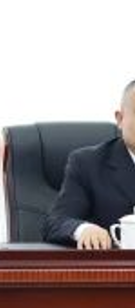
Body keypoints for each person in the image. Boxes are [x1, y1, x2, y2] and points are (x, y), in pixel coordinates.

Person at [43, 79, 135, 249]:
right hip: (115, 264)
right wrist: (83, 229)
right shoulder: (87, 163)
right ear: (120, 119)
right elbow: (56, 222)